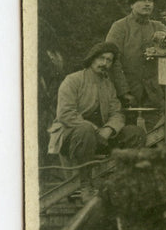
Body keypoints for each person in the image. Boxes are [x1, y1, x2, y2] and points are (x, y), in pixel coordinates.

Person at [47, 42, 145, 178]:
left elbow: (117, 113)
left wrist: (109, 129)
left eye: (109, 60)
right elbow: (66, 113)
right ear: (92, 59)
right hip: (71, 136)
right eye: (101, 58)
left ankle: (121, 180)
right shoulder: (73, 80)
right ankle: (85, 184)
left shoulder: (108, 85)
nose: (104, 63)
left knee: (135, 133)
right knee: (85, 130)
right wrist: (95, 129)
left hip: (101, 137)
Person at [105, 0, 166, 112]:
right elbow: (112, 60)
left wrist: (165, 38)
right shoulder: (120, 27)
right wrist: (124, 92)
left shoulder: (158, 26)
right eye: (142, 0)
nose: (147, 4)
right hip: (128, 94)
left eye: (150, 1)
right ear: (132, 4)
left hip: (154, 94)